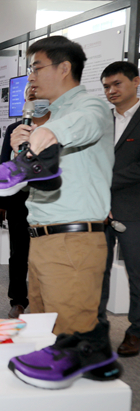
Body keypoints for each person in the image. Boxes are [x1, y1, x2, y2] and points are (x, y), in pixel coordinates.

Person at [5, 36, 119, 389]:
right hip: (44, 238)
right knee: (46, 329)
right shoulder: (51, 116)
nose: (31, 77)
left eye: (36, 67)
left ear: (64, 67)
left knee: (71, 335)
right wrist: (21, 149)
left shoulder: (88, 107)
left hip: (72, 240)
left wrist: (48, 132)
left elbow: (85, 125)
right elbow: (26, 184)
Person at [0, 83, 50, 319]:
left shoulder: (58, 127)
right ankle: (18, 300)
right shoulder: (15, 129)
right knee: (18, 253)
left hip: (50, 201)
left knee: (47, 255)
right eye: (30, 95)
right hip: (20, 200)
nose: (34, 98)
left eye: (38, 94)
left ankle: (46, 300)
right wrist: (0, 202)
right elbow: (6, 167)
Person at [98, 61, 140, 357]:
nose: (111, 91)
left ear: (136, 81)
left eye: (117, 84)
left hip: (134, 211)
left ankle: (136, 331)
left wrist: (101, 180)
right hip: (98, 210)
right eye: (106, 87)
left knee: (137, 275)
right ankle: (96, 327)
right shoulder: (102, 121)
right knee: (96, 273)